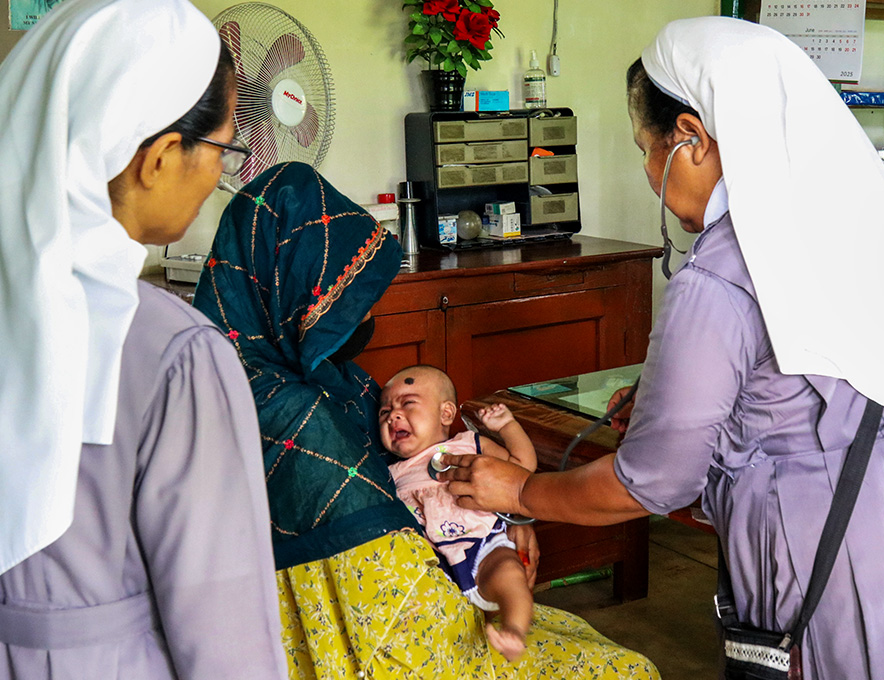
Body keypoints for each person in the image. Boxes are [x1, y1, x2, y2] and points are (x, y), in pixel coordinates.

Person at [440, 16, 884, 680]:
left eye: (646, 149)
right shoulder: (851, 223)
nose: (650, 176)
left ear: (693, 140)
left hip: (843, 569)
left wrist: (524, 489)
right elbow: (816, 384)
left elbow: (652, 479)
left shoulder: (720, 271)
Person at [193, 160, 660, 679]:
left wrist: (508, 523)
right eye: (352, 299)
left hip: (452, 575)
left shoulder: (330, 377)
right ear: (295, 290)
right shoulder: (282, 410)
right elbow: (393, 599)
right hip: (409, 624)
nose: (368, 315)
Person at [0, 0, 287, 678]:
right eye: (223, 149)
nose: (221, 175)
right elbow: (226, 635)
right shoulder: (178, 355)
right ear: (159, 157)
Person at [381, 365, 536, 662]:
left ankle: (514, 631)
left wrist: (507, 427)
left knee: (509, 574)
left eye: (408, 403)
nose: (393, 415)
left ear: (446, 414)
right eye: (384, 411)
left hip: (484, 545)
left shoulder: (469, 443)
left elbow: (522, 468)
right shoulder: (391, 474)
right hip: (434, 565)